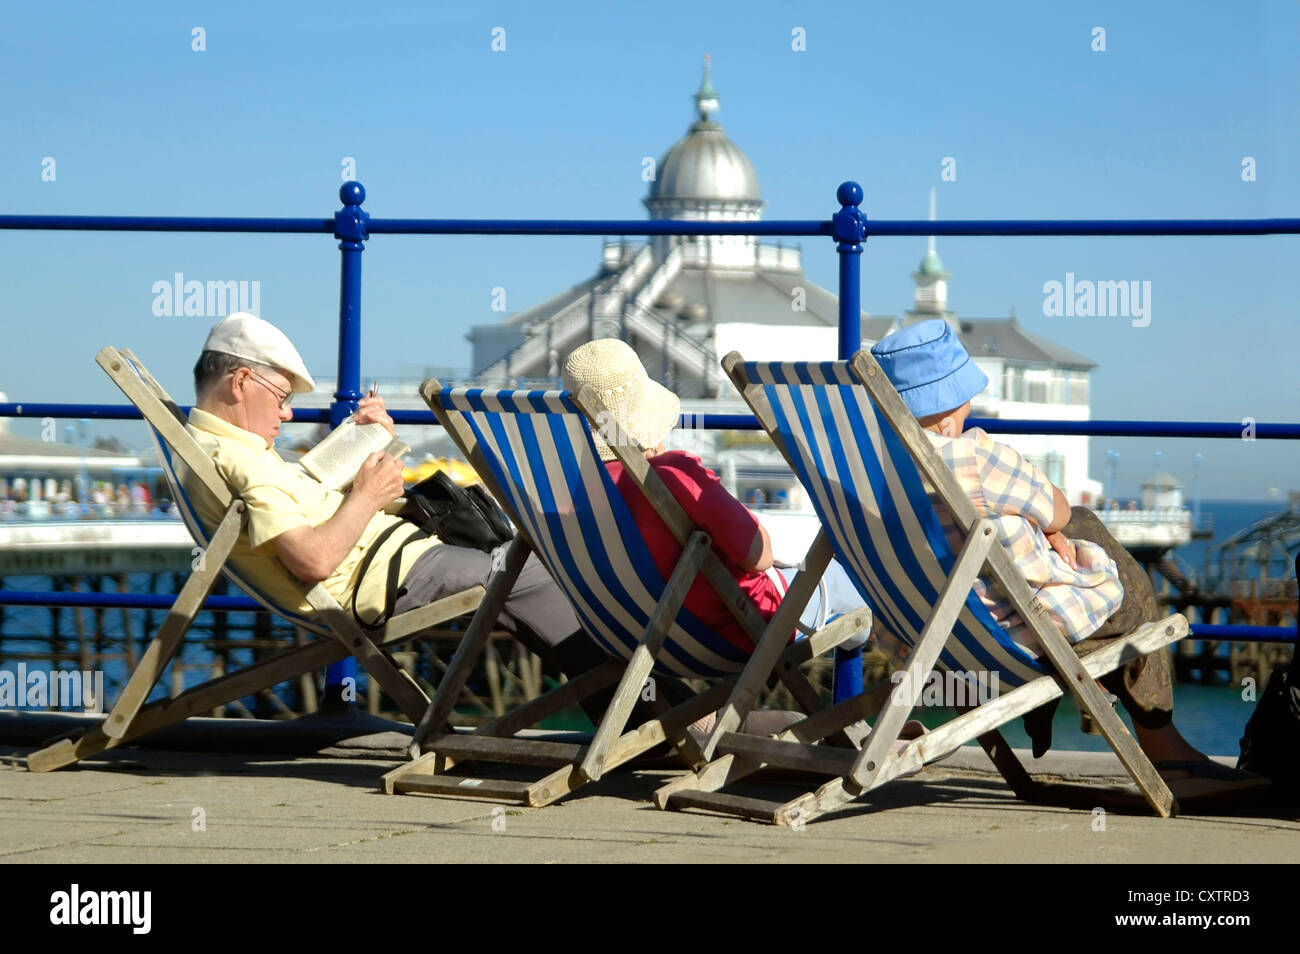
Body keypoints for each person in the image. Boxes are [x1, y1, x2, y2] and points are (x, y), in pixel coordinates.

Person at [870, 319, 1267, 796]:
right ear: (952, 411)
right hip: (1019, 638)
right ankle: (1166, 752)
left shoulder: (868, 477)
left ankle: (1058, 707)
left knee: (1074, 530)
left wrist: (1047, 530)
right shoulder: (973, 457)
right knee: (1112, 567)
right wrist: (1053, 528)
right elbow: (1055, 506)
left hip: (935, 644)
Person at [180, 312, 594, 689]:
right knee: (535, 570)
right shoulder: (240, 461)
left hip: (396, 561)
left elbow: (305, 501)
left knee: (521, 569)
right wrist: (367, 494)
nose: (287, 414)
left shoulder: (226, 447)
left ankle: (618, 703)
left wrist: (360, 443)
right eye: (282, 397)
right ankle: (627, 706)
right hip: (385, 580)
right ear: (239, 383)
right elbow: (313, 560)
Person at [563, 340, 899, 741]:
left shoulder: (568, 494)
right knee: (857, 591)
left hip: (629, 636)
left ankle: (846, 726)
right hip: (734, 630)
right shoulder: (672, 476)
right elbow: (759, 557)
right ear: (645, 422)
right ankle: (849, 726)